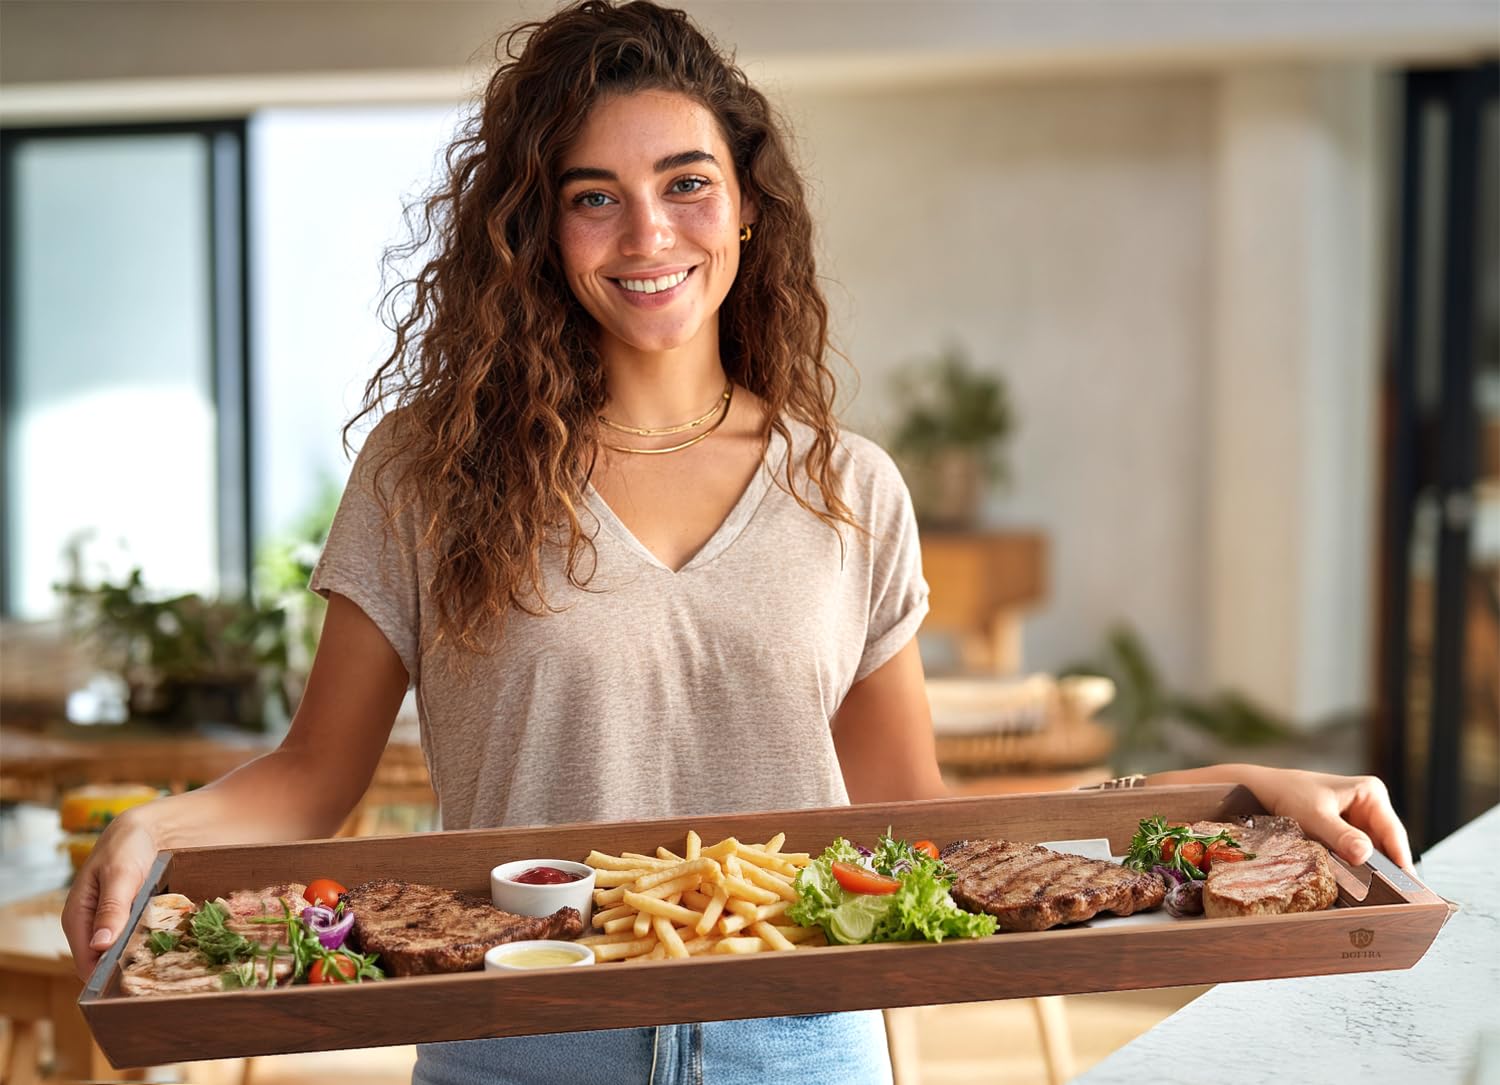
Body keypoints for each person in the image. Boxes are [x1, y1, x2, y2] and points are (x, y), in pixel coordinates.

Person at [62, 3, 1414, 1082]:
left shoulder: (849, 488)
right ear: (539, 230)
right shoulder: (429, 475)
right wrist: (155, 828)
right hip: (518, 1050)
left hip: (804, 1045)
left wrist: (1226, 792)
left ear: (749, 204)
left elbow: (922, 824)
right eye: (593, 196)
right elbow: (315, 776)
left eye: (686, 182)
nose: (648, 233)